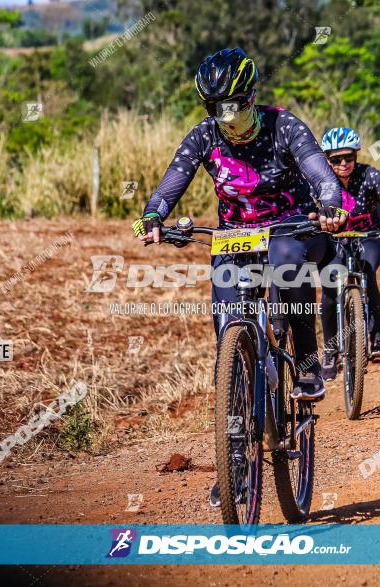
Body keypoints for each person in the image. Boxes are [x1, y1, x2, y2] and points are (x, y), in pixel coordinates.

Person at [132, 48, 347, 506]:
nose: (226, 117)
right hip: (233, 236)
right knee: (227, 328)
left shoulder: (284, 126)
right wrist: (153, 214)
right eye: (216, 108)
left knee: (289, 265)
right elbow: (173, 180)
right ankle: (234, 460)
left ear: (251, 96)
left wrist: (332, 203)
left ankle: (307, 367)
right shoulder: (204, 136)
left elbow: (320, 173)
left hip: (292, 226)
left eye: (234, 105)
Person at [318, 127, 380, 380]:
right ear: (327, 159)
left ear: (356, 156)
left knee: (368, 272)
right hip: (335, 240)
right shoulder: (322, 179)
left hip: (369, 237)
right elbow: (305, 206)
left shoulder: (370, 175)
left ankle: (377, 338)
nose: (343, 164)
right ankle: (329, 350)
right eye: (336, 159)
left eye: (348, 157)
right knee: (328, 289)